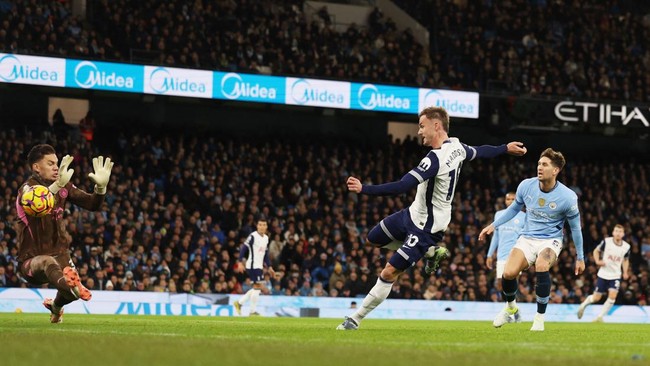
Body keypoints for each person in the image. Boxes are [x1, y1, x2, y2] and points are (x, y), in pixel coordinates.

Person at [336, 106, 527, 330]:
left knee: (389, 271)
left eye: (422, 126)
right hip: (412, 214)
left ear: (436, 126)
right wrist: (504, 147)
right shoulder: (457, 147)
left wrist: (364, 189)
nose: (419, 132)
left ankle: (355, 319)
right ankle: (429, 253)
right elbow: (480, 151)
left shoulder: (435, 159)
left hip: (426, 228)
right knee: (373, 238)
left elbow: (402, 185)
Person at [478, 148, 584, 332]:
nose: (539, 167)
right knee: (508, 273)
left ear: (556, 170)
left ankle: (539, 319)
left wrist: (580, 257)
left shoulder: (568, 197)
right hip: (527, 238)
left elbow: (575, 228)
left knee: (542, 265)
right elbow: (513, 209)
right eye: (539, 164)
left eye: (544, 164)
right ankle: (510, 308)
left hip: (551, 240)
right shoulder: (526, 186)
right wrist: (493, 225)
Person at [16, 144, 114, 323]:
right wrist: (57, 185)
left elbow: (93, 204)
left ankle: (56, 306)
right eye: (50, 163)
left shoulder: (64, 187)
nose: (56, 167)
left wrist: (101, 188)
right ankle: (71, 285)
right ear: (36, 167)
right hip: (31, 260)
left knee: (72, 295)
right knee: (48, 263)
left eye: (57, 163)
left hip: (60, 254)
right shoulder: (27, 189)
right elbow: (36, 203)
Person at [577, 224, 630, 322]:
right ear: (613, 232)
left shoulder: (626, 247)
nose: (618, 233)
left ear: (623, 234)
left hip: (615, 275)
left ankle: (600, 317)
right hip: (603, 274)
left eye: (620, 231)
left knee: (613, 296)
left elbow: (626, 260)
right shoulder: (606, 242)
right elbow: (596, 251)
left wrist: (625, 272)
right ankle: (583, 305)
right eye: (616, 231)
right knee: (596, 298)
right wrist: (597, 261)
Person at [486, 192, 525, 299]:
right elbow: (496, 236)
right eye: (509, 199)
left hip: (516, 254)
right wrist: (489, 255)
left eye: (513, 199)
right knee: (500, 283)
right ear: (505, 201)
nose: (511, 201)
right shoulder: (498, 215)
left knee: (513, 281)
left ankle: (512, 308)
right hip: (502, 254)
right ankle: (508, 306)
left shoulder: (524, 216)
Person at [233, 217, 275, 316]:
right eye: (260, 225)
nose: (262, 227)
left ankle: (239, 303)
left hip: (259, 266)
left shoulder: (266, 238)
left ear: (266, 227)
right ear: (257, 226)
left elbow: (265, 253)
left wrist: (269, 266)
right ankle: (251, 311)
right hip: (252, 265)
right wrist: (239, 262)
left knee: (257, 287)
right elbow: (244, 248)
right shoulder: (253, 236)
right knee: (258, 287)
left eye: (264, 225)